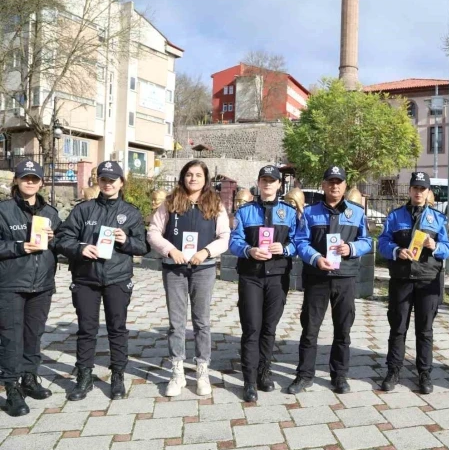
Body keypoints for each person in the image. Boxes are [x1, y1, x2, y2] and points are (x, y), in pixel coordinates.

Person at [55, 161, 149, 401]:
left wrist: (126, 240)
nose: (108, 184)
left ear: (121, 182)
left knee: (117, 329)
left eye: (112, 180)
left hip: (117, 278)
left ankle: (118, 375)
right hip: (86, 278)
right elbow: (63, 238)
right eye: (104, 179)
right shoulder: (83, 210)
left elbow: (143, 246)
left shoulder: (130, 212)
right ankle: (84, 376)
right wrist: (80, 248)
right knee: (87, 329)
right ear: (99, 181)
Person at [147, 160, 230, 397]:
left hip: (203, 269)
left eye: (198, 175)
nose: (193, 179)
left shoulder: (215, 204)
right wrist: (169, 250)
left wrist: (206, 252)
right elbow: (153, 231)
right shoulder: (171, 202)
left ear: (205, 179)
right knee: (176, 321)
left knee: (201, 321)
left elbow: (225, 236)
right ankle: (177, 371)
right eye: (189, 175)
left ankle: (202, 369)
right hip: (175, 268)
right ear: (183, 177)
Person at [288, 166, 372, 394]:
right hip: (318, 277)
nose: (335, 186)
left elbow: (367, 241)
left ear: (345, 186)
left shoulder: (356, 213)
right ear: (323, 185)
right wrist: (315, 258)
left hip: (345, 277)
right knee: (310, 329)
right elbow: (300, 242)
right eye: (330, 182)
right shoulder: (310, 212)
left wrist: (350, 247)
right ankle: (304, 375)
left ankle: (340, 376)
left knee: (343, 330)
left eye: (339, 182)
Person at [377, 172, 449, 393]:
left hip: (427, 280)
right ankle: (393, 370)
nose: (419, 192)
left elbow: (448, 247)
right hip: (401, 280)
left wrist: (434, 245)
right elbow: (382, 242)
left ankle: (424, 374)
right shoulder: (395, 216)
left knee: (425, 330)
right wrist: (396, 251)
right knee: (398, 328)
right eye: (415, 188)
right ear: (409, 190)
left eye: (423, 189)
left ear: (428, 192)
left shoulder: (438, 219)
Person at [229, 165, 299, 402]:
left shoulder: (289, 213)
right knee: (251, 328)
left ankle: (264, 372)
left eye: (273, 180)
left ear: (280, 185)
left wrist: (286, 248)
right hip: (251, 276)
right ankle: (249, 380)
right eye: (264, 180)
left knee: (269, 328)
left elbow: (298, 240)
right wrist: (249, 250)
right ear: (258, 183)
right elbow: (234, 240)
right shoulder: (245, 211)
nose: (268, 184)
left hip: (278, 277)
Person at [0, 161, 61, 417]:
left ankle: (29, 378)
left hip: (42, 285)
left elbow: (61, 245)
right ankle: (11, 387)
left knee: (34, 335)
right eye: (25, 178)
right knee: (11, 337)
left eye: (35, 178)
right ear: (16, 180)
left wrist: (55, 238)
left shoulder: (51, 212)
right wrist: (19, 247)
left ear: (41, 182)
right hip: (12, 284)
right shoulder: (3, 210)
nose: (30, 182)